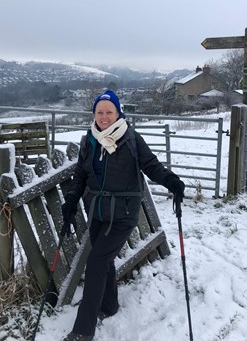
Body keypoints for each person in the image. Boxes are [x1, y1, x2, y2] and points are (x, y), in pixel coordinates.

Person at [61, 90, 185, 341]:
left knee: (95, 262)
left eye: (109, 112)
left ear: (118, 113)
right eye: (100, 112)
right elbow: (81, 174)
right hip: (96, 210)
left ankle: (83, 331)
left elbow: (151, 166)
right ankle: (109, 306)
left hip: (123, 212)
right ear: (94, 114)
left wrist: (171, 181)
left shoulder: (130, 138)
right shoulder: (90, 140)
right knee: (103, 261)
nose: (104, 117)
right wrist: (72, 201)